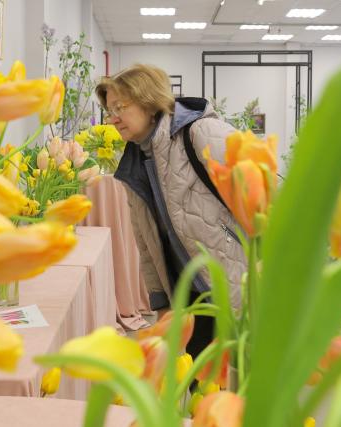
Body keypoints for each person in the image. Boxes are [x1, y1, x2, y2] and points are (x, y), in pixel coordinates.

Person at [95, 64, 246, 357]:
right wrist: (160, 300)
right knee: (199, 385)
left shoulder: (201, 133)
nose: (112, 118)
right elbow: (146, 242)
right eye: (109, 109)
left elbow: (266, 190)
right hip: (190, 298)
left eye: (120, 107)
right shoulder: (134, 163)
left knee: (237, 387)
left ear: (148, 102)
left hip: (234, 284)